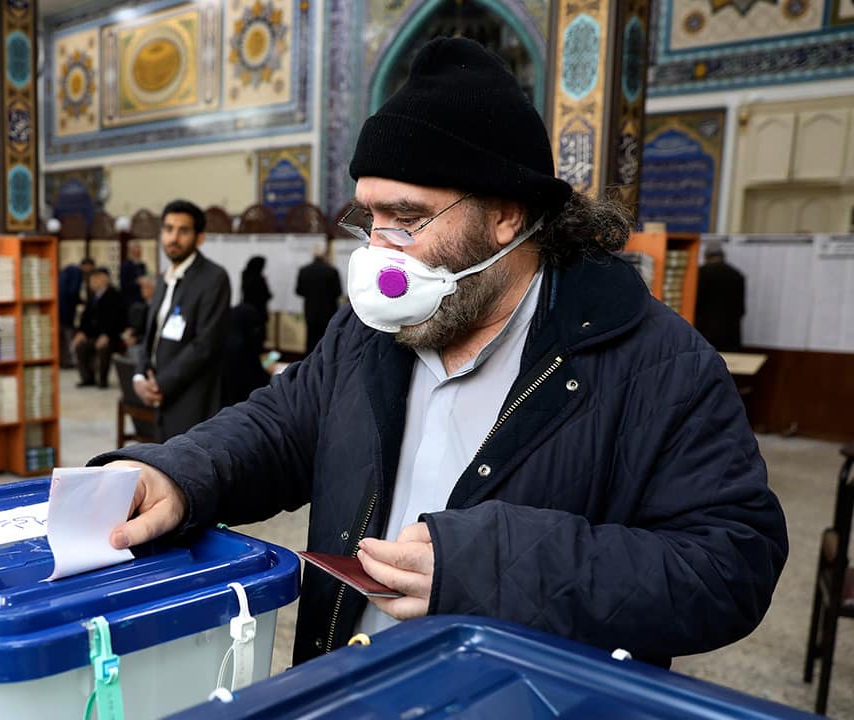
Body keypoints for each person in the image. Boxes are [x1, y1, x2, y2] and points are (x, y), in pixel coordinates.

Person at [93, 38, 787, 668]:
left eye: (409, 218)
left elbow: (730, 563)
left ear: (506, 213)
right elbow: (279, 428)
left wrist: (494, 566)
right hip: (350, 680)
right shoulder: (368, 333)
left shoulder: (653, 363)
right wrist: (176, 475)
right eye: (370, 218)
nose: (378, 250)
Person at [131, 200, 230, 439]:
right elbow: (150, 334)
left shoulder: (213, 278)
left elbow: (204, 344)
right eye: (168, 229)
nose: (173, 238)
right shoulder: (165, 277)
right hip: (160, 397)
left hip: (192, 399)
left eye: (183, 231)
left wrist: (160, 385)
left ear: (200, 238)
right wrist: (139, 375)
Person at [73, 267, 126, 388]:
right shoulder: (93, 298)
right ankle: (87, 378)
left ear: (102, 281)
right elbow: (85, 318)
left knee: (103, 349)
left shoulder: (115, 296)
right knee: (80, 346)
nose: (91, 284)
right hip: (93, 335)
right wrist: (81, 332)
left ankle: (102, 380)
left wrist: (106, 335)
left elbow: (118, 319)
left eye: (94, 281)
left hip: (111, 336)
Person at [695, 240, 746, 352]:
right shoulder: (737, 275)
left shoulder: (699, 274)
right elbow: (741, 309)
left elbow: (695, 304)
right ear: (723, 256)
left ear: (706, 256)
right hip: (730, 334)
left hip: (704, 332)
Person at [295, 244, 343, 354]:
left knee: (310, 340)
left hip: (310, 311)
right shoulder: (332, 271)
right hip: (328, 312)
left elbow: (298, 291)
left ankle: (308, 367)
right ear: (325, 255)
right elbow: (338, 292)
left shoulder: (304, 270)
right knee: (326, 341)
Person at [58, 257, 96, 368]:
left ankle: (63, 360)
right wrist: (82, 302)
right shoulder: (77, 272)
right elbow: (73, 291)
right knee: (70, 335)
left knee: (63, 337)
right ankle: (71, 360)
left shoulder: (67, 270)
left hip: (59, 309)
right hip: (67, 310)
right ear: (86, 266)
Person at [240, 256, 271, 324]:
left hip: (248, 310)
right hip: (257, 310)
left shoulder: (246, 276)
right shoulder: (258, 279)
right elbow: (264, 294)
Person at [120, 241, 148, 306]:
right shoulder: (126, 265)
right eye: (136, 250)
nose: (138, 252)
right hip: (130, 299)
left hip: (142, 298)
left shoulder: (142, 265)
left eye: (139, 250)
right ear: (131, 251)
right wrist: (137, 282)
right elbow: (124, 284)